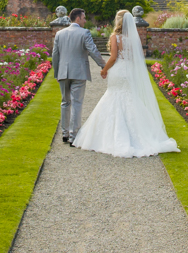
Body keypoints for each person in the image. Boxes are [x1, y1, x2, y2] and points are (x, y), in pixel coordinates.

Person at [73, 9, 179, 158]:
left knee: (113, 96)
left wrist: (104, 70)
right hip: (129, 71)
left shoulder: (115, 37)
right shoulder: (134, 38)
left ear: (118, 21)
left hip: (118, 70)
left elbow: (114, 57)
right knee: (130, 98)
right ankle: (139, 135)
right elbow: (136, 58)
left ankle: (110, 136)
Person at [51, 7, 104, 144]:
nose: (85, 20)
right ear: (78, 18)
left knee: (65, 102)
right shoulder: (84, 32)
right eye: (84, 18)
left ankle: (64, 133)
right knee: (77, 103)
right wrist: (103, 65)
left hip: (63, 72)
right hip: (79, 72)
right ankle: (73, 136)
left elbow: (55, 56)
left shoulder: (59, 34)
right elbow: (93, 50)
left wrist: (57, 73)